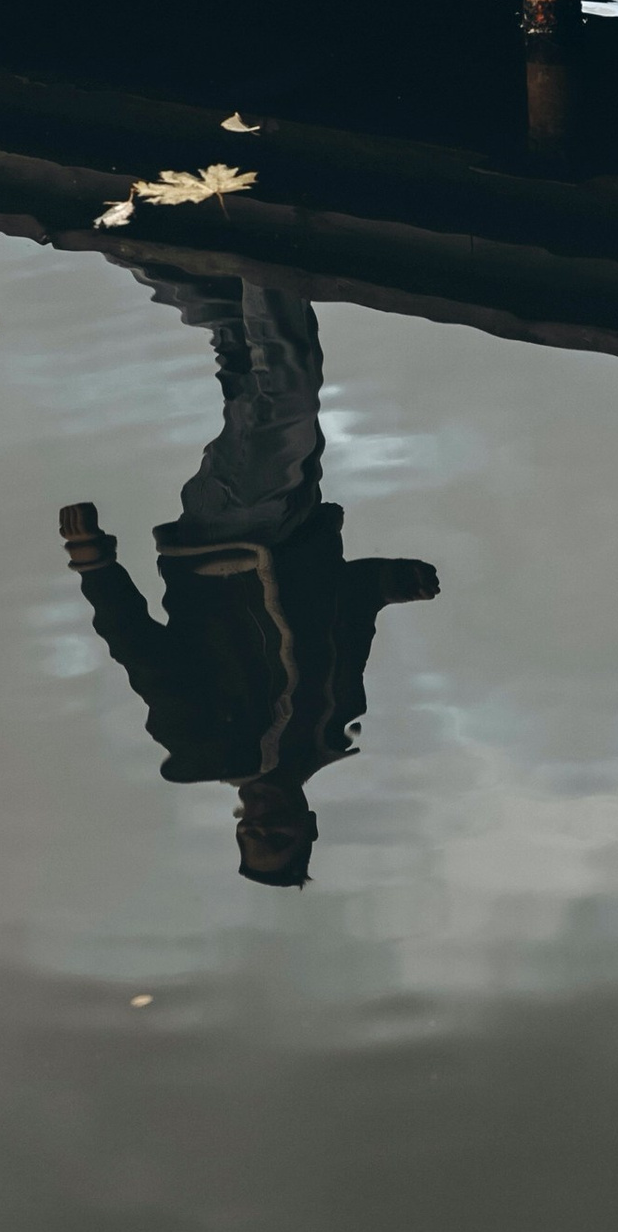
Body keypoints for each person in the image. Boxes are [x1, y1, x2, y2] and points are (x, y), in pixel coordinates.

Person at [57, 271, 437, 884]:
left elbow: (138, 649)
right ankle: (166, 252)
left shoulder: (201, 745)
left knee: (288, 396)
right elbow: (346, 609)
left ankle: (264, 260)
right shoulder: (333, 726)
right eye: (277, 837)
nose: (261, 824)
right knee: (243, 358)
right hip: (298, 526)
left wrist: (92, 562)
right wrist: (392, 581)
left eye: (250, 836)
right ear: (308, 825)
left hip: (224, 538)